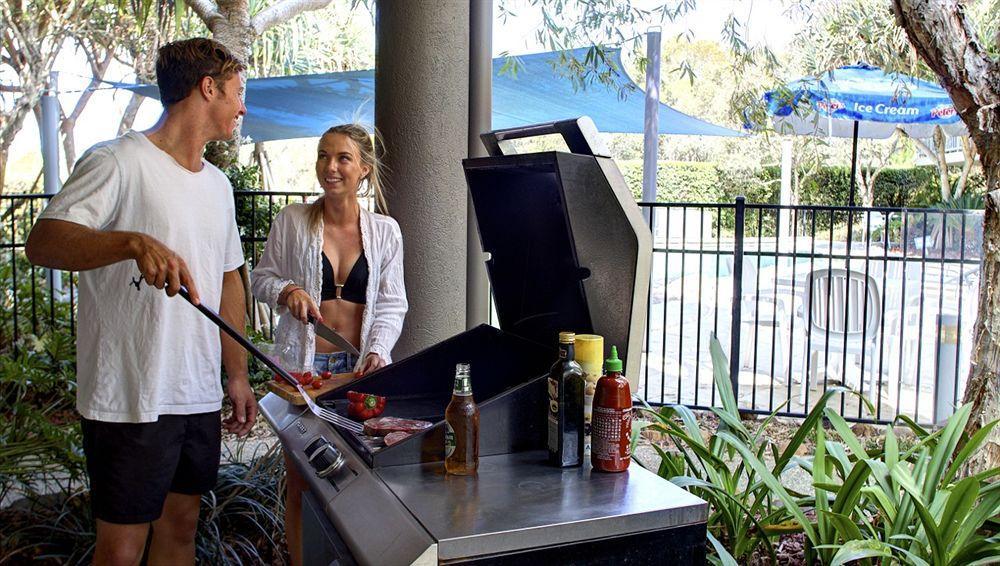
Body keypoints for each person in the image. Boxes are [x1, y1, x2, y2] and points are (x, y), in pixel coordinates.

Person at [24, 38, 256, 566]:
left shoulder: (218, 186)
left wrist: (236, 375)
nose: (242, 108)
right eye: (238, 93)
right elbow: (44, 242)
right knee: (122, 549)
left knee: (181, 529)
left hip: (195, 391)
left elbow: (228, 282)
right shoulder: (118, 161)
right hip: (130, 393)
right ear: (208, 87)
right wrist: (131, 242)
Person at [251, 123, 407, 566]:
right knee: (302, 480)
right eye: (323, 156)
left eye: (342, 158)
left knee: (360, 479)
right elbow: (260, 279)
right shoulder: (293, 222)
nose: (330, 167)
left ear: (364, 169)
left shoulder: (385, 231)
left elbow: (393, 303)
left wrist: (378, 350)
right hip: (304, 371)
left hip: (360, 372)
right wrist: (287, 291)